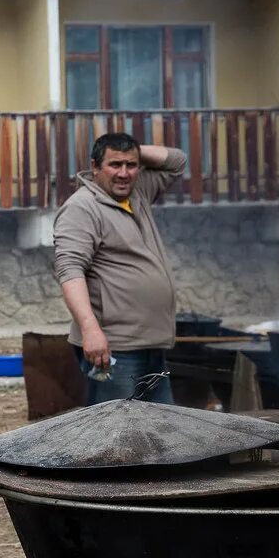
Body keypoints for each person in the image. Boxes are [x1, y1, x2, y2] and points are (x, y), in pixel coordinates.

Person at [53, 132, 187, 406]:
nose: (124, 173)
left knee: (163, 432)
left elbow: (177, 162)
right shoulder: (81, 208)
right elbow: (70, 271)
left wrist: (134, 151)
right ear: (95, 167)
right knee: (115, 435)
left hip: (150, 343)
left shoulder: (139, 192)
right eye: (115, 164)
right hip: (114, 349)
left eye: (131, 165)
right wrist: (90, 330)